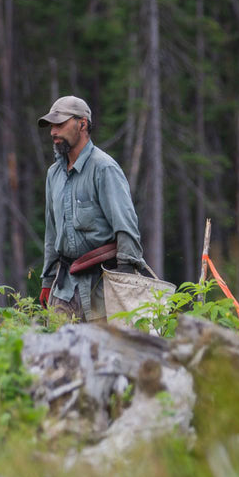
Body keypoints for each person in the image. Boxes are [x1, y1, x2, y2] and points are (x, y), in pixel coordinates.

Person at [37, 95, 149, 321]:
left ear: (82, 124)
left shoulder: (104, 168)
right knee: (61, 351)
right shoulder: (54, 174)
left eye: (60, 124)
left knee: (104, 353)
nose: (53, 132)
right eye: (51, 126)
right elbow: (51, 234)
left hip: (102, 287)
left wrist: (124, 281)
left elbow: (125, 226)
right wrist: (47, 281)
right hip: (64, 289)